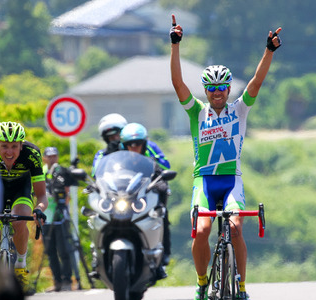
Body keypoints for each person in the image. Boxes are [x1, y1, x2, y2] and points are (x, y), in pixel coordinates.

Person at [170, 14, 281, 300]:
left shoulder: (239, 110)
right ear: (205, 90)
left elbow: (256, 82)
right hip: (204, 181)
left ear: (228, 89)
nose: (217, 93)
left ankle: (241, 287)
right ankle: (202, 281)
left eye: (221, 88)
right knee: (202, 229)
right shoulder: (197, 112)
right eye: (211, 88)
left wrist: (268, 51)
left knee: (235, 229)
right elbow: (177, 83)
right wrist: (175, 45)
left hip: (232, 180)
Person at [0, 121, 48, 296]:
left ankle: (20, 265)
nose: (9, 152)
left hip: (20, 190)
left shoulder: (32, 154)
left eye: (14, 146)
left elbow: (42, 195)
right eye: (5, 146)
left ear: (21, 146)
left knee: (20, 218)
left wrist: (39, 209)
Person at [120, 122, 172, 278]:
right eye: (130, 144)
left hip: (144, 204)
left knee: (161, 215)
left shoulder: (151, 163)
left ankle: (161, 259)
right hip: (123, 204)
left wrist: (160, 184)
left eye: (138, 144)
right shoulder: (120, 163)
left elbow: (164, 170)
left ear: (144, 144)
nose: (134, 147)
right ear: (124, 145)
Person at [42, 147, 74, 292]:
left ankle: (67, 280)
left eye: (55, 156)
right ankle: (57, 281)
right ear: (44, 158)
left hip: (60, 216)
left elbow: (66, 193)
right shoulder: (41, 172)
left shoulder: (61, 171)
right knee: (50, 251)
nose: (52, 159)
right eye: (49, 156)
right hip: (46, 217)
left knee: (64, 249)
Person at [91, 113, 128, 177]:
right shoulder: (101, 154)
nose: (116, 139)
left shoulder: (135, 148)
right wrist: (109, 156)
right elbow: (95, 173)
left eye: (118, 135)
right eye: (111, 137)